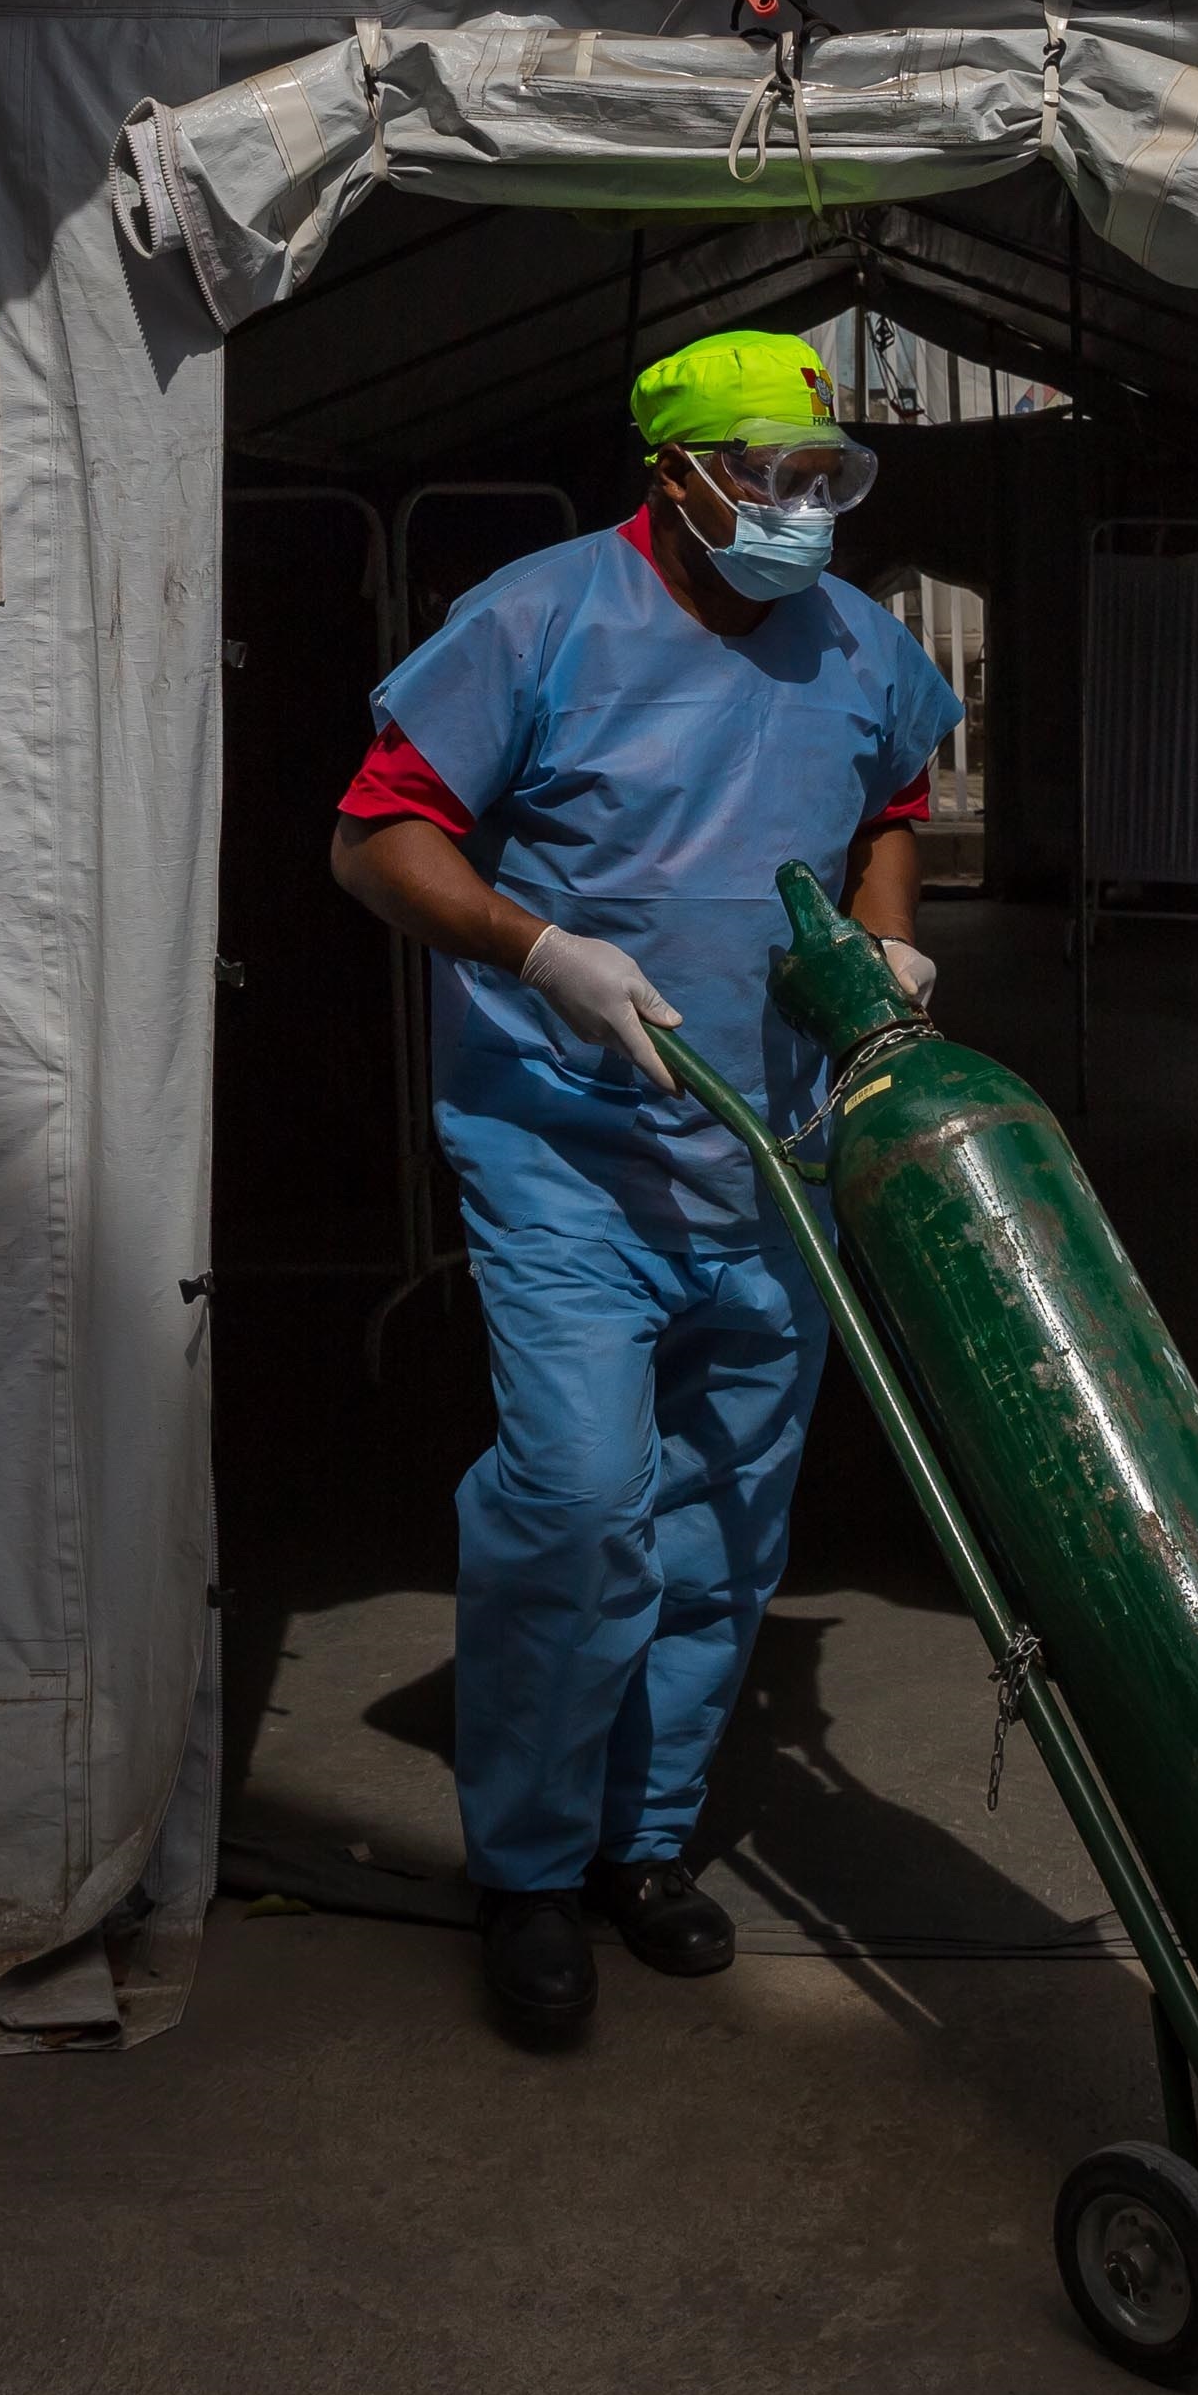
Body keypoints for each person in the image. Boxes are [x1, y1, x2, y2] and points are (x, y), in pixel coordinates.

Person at [328, 329, 962, 2036]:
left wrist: (887, 943)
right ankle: (528, 1864)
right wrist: (539, 949)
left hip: (775, 1156)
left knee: (724, 1522)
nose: (800, 509)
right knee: (581, 1493)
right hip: (571, 1153)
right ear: (673, 477)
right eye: (768, 474)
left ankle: (645, 1838)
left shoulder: (860, 641)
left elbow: (898, 783)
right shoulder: (537, 620)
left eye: (824, 477)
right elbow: (376, 830)